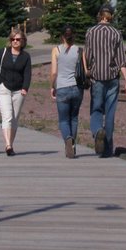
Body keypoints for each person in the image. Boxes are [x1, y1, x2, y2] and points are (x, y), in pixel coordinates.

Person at [84, 3, 126, 158]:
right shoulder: (116, 33)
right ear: (111, 16)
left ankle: (98, 131)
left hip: (97, 77)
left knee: (96, 109)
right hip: (112, 78)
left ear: (99, 14)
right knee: (110, 112)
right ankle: (107, 149)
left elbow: (87, 55)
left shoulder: (91, 32)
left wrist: (88, 70)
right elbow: (121, 60)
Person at [0, 30, 32, 156]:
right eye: (13, 39)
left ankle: (10, 144)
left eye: (18, 39)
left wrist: (25, 88)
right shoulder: (3, 52)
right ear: (10, 40)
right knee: (7, 116)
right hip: (4, 88)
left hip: (19, 90)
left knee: (14, 118)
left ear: (23, 41)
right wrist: (0, 83)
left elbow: (27, 73)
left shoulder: (25, 56)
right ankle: (8, 145)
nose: (15, 41)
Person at [50, 25, 82, 158]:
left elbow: (53, 72)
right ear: (73, 36)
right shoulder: (80, 50)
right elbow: (84, 70)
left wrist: (52, 86)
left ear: (62, 36)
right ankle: (72, 145)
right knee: (73, 118)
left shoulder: (56, 50)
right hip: (76, 88)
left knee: (63, 120)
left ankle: (67, 139)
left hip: (62, 88)